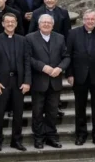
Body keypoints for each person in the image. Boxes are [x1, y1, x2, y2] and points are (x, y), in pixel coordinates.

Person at [66, 10, 95, 147]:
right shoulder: (73, 34)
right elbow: (68, 55)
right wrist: (69, 74)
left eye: (92, 19)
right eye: (87, 19)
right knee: (80, 108)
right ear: (83, 19)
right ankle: (81, 135)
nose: (90, 21)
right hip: (79, 77)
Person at [26, 14, 70, 149]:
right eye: (43, 22)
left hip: (55, 81)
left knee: (52, 111)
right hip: (39, 81)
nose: (46, 24)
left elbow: (66, 57)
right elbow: (28, 58)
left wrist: (60, 68)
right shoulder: (30, 38)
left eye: (49, 22)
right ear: (39, 24)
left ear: (53, 24)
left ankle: (51, 136)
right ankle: (38, 137)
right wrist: (42, 67)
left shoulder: (60, 37)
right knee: (38, 111)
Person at [0, 12, 30, 152]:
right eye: (7, 22)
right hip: (2, 82)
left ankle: (16, 140)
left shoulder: (23, 40)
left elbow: (27, 62)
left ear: (17, 23)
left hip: (19, 82)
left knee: (18, 113)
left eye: (13, 22)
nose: (10, 24)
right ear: (3, 23)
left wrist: (27, 82)